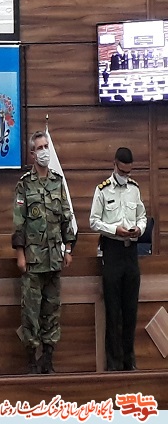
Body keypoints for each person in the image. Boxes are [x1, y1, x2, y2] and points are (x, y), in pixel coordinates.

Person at [12, 130, 76, 374]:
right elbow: (18, 223)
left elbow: (66, 218)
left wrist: (68, 248)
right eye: (40, 148)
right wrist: (20, 254)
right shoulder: (24, 184)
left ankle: (48, 359)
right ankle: (31, 359)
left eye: (46, 146)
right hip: (32, 260)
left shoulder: (57, 182)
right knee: (31, 313)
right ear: (32, 153)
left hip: (54, 259)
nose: (44, 151)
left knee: (52, 311)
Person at [89, 147, 146, 371]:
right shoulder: (102, 190)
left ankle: (129, 361)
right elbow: (94, 221)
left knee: (130, 310)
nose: (125, 176)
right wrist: (115, 230)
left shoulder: (134, 189)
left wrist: (139, 229)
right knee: (113, 311)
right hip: (112, 252)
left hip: (131, 253)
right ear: (115, 165)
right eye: (122, 172)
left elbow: (142, 216)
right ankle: (113, 364)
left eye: (128, 172)